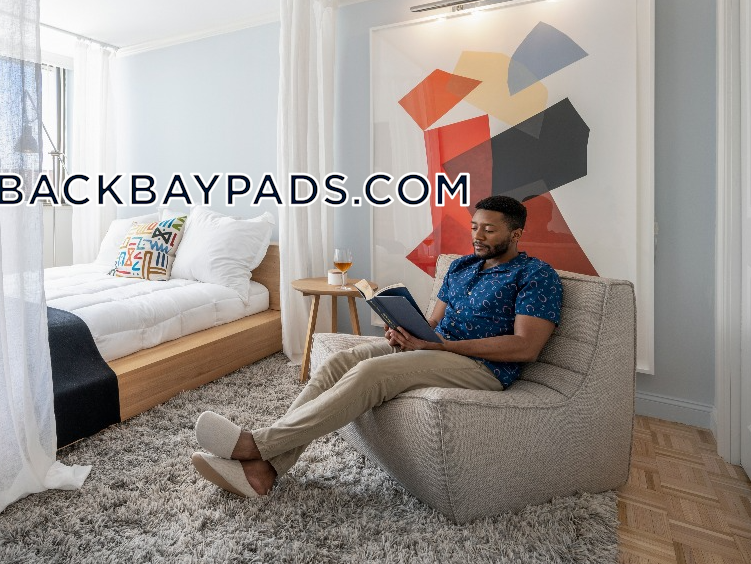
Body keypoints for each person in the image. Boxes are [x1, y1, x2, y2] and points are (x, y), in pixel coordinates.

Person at [190, 194, 564, 498]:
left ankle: (257, 446)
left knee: (372, 372)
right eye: (474, 227)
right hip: (437, 349)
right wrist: (404, 330)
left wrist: (443, 347)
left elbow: (525, 346)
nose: (477, 236)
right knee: (340, 363)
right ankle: (264, 471)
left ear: (516, 234)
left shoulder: (536, 275)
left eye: (489, 230)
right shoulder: (462, 266)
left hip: (484, 368)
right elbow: (433, 323)